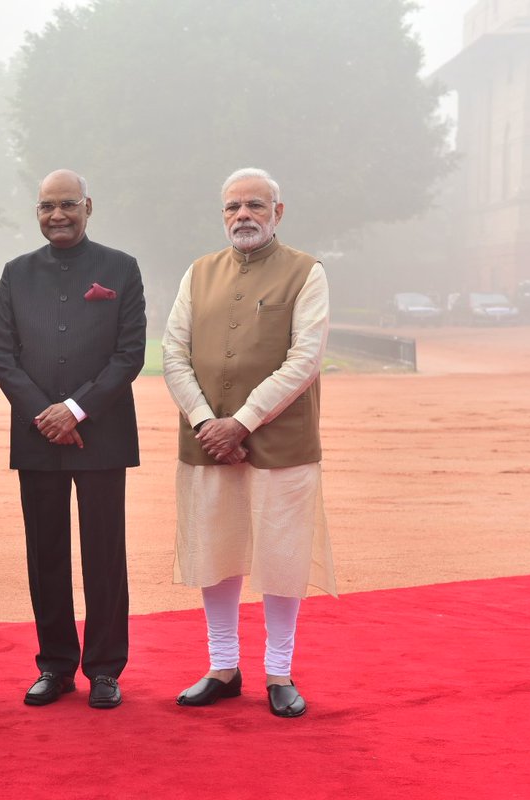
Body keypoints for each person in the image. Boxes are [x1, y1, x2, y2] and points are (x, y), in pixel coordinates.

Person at [161, 168, 337, 718]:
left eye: (255, 205)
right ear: (222, 214)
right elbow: (173, 353)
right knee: (217, 552)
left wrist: (243, 422)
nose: (243, 215)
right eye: (233, 206)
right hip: (206, 440)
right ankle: (222, 666)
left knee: (281, 556)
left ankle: (279, 672)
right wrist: (205, 422)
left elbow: (305, 359)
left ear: (277, 212)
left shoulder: (306, 273)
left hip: (280, 442)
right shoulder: (199, 273)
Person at [0, 170, 146, 709]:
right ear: (37, 211)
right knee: (46, 553)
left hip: (101, 433)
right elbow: (1, 355)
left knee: (105, 555)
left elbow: (130, 355)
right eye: (47, 206)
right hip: (37, 437)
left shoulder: (121, 269)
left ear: (88, 207)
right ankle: (55, 665)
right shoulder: (16, 273)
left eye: (68, 205)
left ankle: (105, 668)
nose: (57, 215)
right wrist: (43, 413)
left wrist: (75, 409)